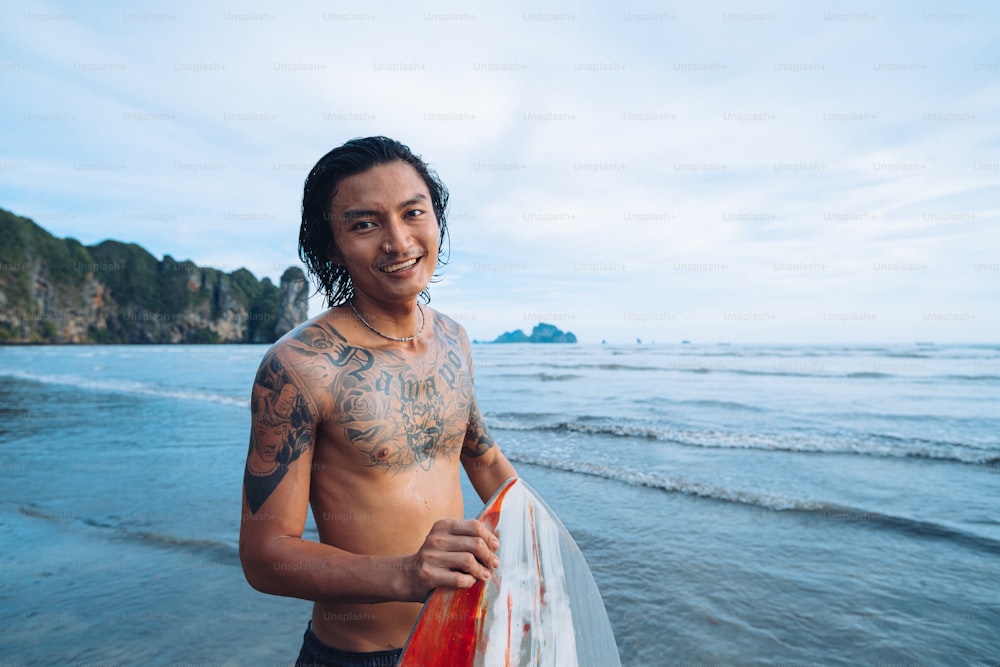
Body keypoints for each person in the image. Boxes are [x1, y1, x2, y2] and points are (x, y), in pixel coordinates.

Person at [239, 136, 517, 667]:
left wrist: (543, 548)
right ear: (330, 245)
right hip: (360, 657)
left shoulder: (454, 339)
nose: (397, 241)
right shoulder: (299, 367)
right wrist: (406, 573)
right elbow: (264, 556)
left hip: (465, 642)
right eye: (364, 224)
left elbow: (483, 459)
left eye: (413, 213)